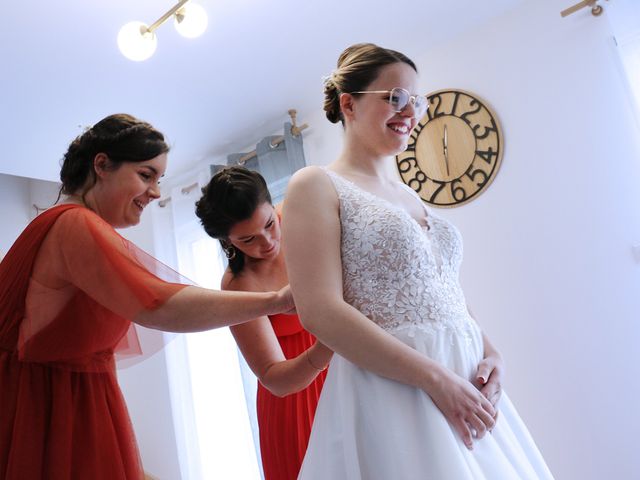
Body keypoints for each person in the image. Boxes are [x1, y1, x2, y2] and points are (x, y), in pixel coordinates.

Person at [283, 43, 554, 479]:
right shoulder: (315, 184)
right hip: (396, 388)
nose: (410, 111)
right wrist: (435, 380)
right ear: (349, 104)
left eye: (416, 99)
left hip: (465, 378)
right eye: (395, 98)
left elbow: (443, 288)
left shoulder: (409, 193)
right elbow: (319, 311)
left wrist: (491, 351)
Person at [0, 114, 294, 480]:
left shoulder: (60, 225)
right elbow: (160, 304)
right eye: (146, 175)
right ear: (102, 165)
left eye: (159, 180)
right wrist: (278, 301)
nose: (155, 192)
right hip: (48, 413)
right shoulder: (74, 224)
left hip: (66, 409)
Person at [195, 166, 331, 480]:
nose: (268, 241)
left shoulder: (303, 216)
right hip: (294, 398)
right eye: (248, 239)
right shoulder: (238, 286)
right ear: (227, 241)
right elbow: (274, 377)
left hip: (345, 368)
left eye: (270, 223)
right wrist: (328, 348)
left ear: (274, 205)